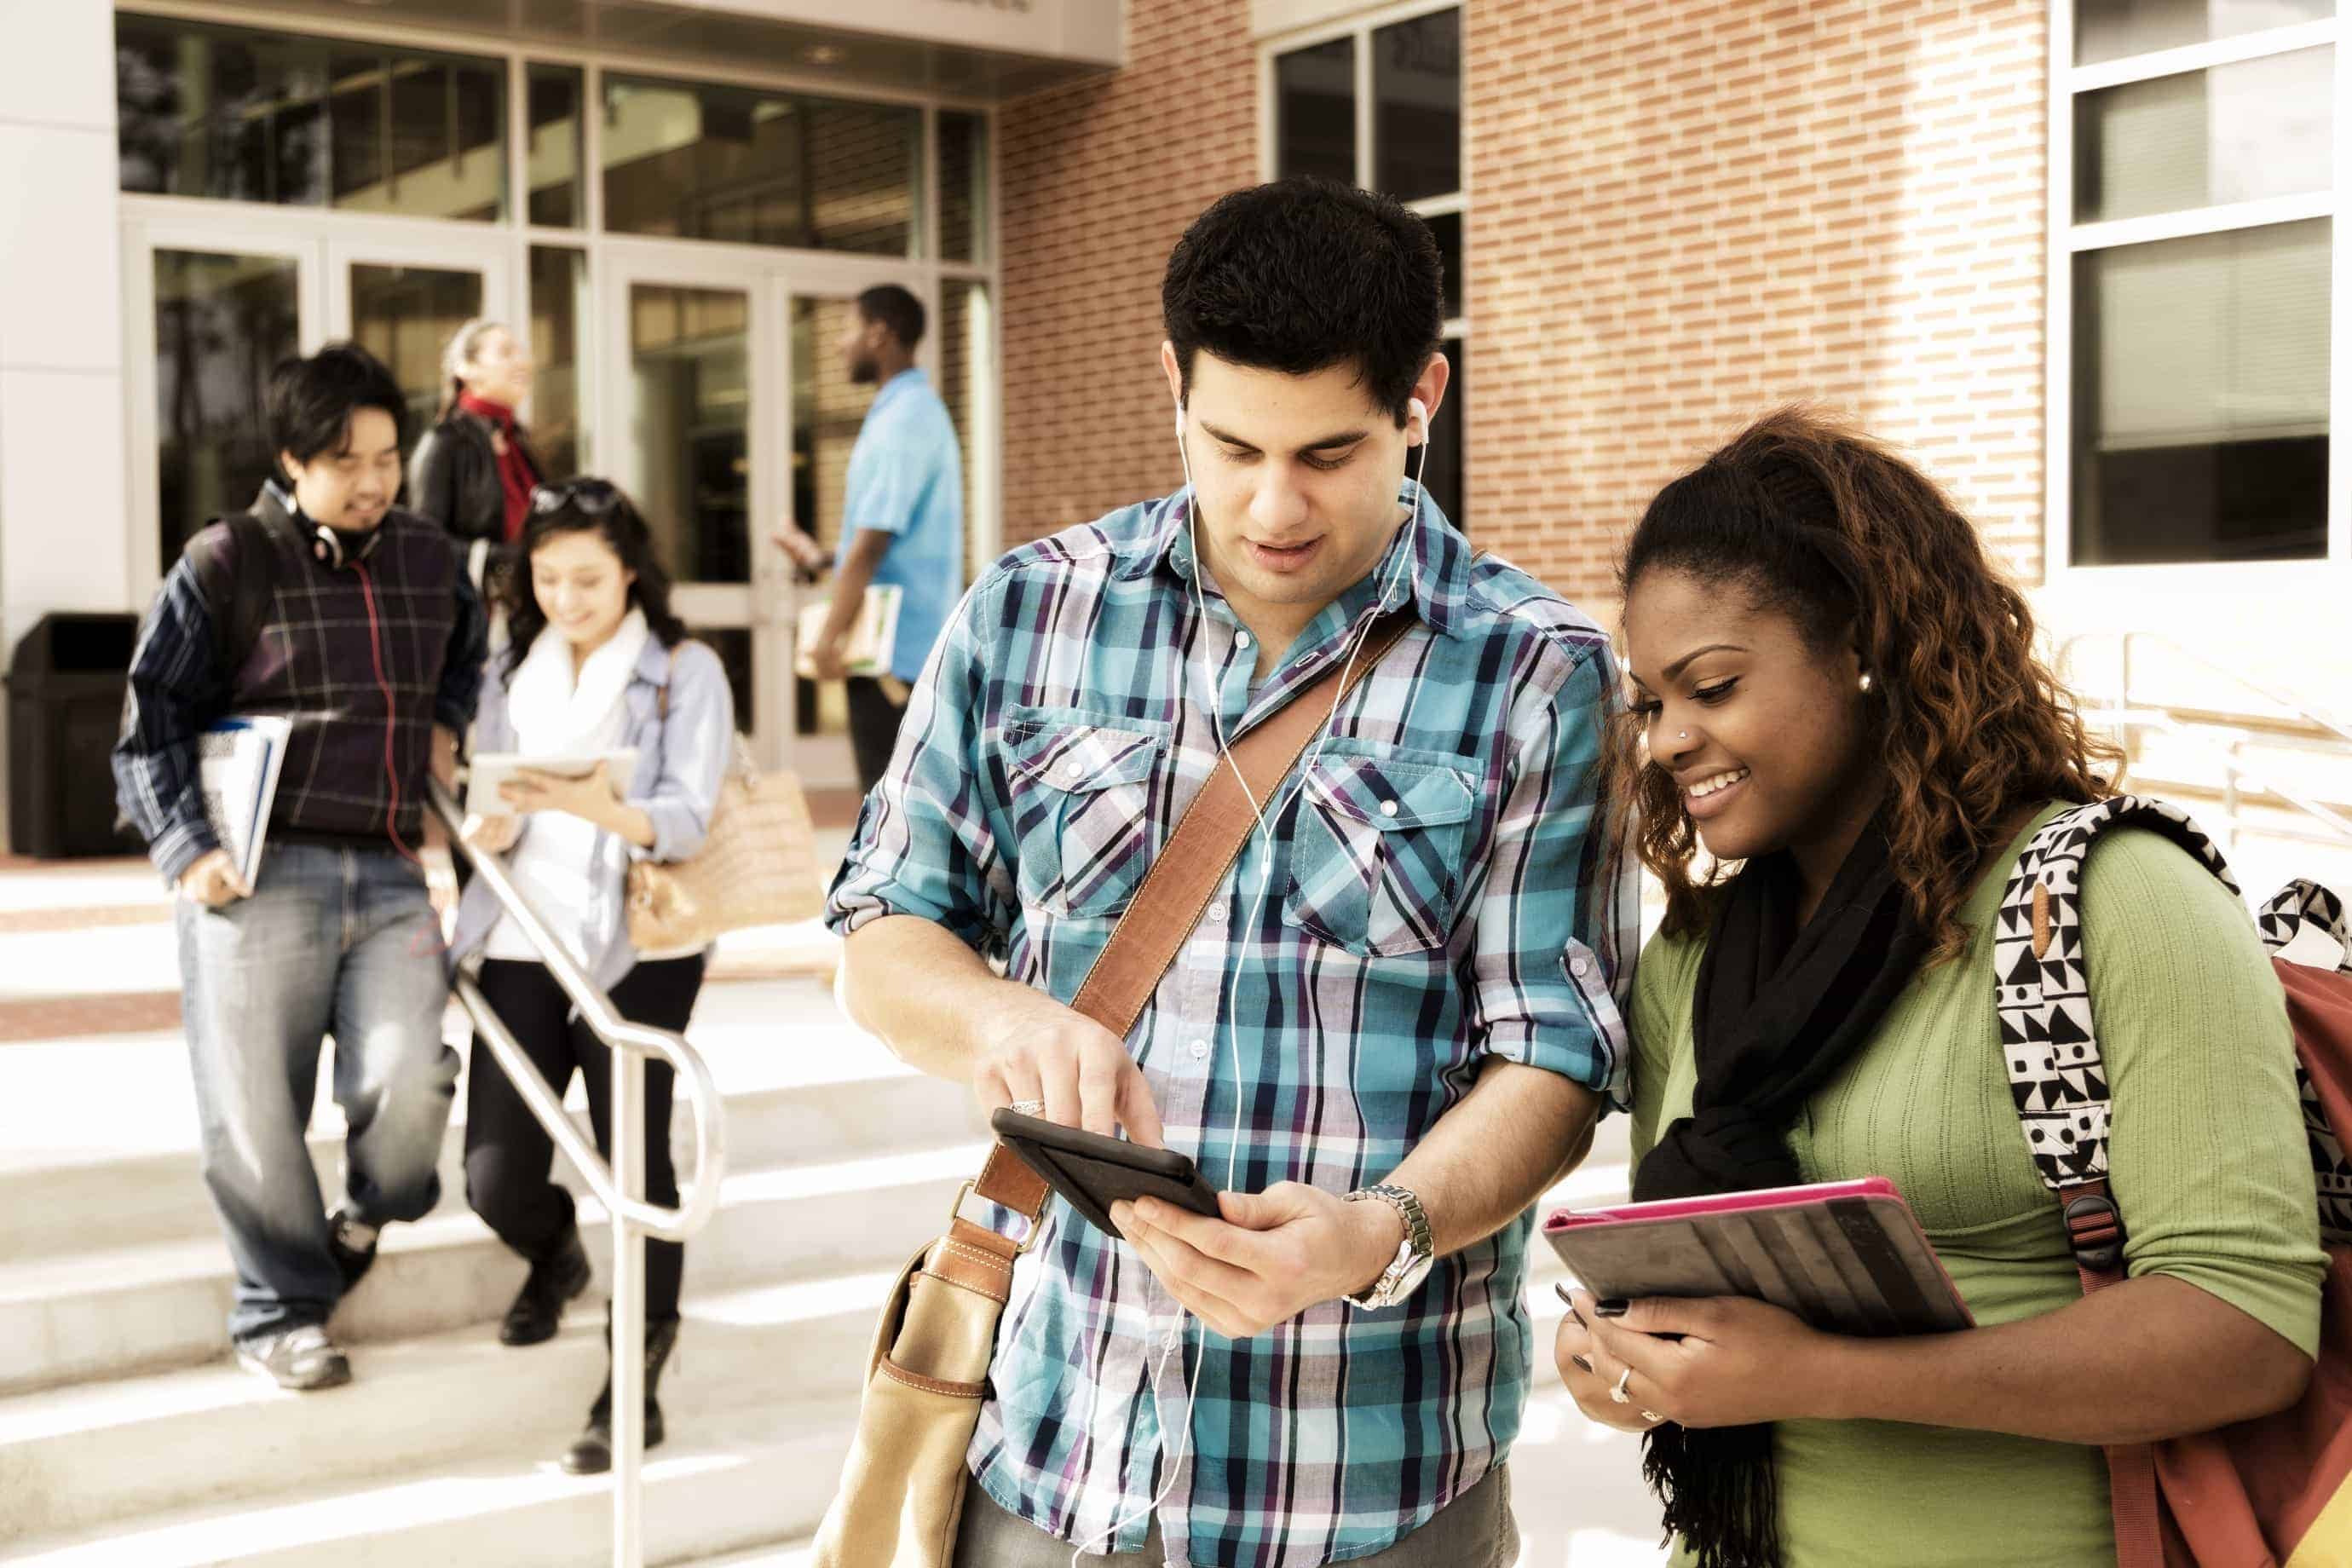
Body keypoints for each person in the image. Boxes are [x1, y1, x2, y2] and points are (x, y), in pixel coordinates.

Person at [827, 177, 1637, 1568]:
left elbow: (1558, 1063)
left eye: (1329, 452)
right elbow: (884, 930)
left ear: (1422, 397)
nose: (1274, 505)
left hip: (1374, 1473)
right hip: (1054, 1438)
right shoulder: (1026, 614)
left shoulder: (1538, 672)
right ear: (1172, 383)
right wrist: (1006, 1021)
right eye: (1231, 443)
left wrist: (1382, 1233)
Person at [1554, 407, 2326, 1567]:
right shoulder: (1699, 957)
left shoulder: (2112, 900)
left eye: (1711, 685)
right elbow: (1697, 1289)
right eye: (1653, 700)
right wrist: (1620, 1360)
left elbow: (2247, 1328)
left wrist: (1824, 1379)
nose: (1667, 739)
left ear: (1863, 642)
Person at [113, 342, 488, 1392]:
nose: (374, 480)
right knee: (252, 1104)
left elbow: (466, 648)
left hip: (385, 868)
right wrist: (186, 850)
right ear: (291, 457)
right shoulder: (228, 560)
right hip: (255, 873)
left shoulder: (426, 558)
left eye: (387, 457)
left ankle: (366, 1215)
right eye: (346, 460)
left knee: (411, 1081)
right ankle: (279, 1308)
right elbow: (149, 721)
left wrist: (447, 724)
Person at [447, 478, 735, 1474]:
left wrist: (583, 799)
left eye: (587, 578)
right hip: (521, 936)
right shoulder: (507, 668)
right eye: (548, 576)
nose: (566, 597)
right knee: (493, 1175)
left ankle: (634, 1379)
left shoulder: (682, 671)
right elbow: (487, 798)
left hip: (634, 949)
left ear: (629, 574)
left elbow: (687, 816)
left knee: (639, 1167)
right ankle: (553, 1251)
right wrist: (499, 817)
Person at [770, 283, 963, 793]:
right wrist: (818, 557)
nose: (838, 343)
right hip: (894, 650)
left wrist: (826, 639)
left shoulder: (905, 419)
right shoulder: (901, 413)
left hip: (894, 657)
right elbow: (883, 541)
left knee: (887, 813)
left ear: (879, 334)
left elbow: (874, 544)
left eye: (846, 328)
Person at [409, 318, 544, 591]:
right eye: (506, 353)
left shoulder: (519, 440)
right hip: (474, 612)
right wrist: (500, 561)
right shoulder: (444, 440)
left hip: (524, 604)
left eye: (521, 353)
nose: (522, 362)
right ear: (466, 369)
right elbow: (422, 544)